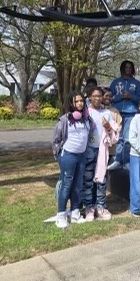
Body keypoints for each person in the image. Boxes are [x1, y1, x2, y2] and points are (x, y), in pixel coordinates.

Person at [52, 91, 91, 228]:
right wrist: (58, 156)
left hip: (81, 156)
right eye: (77, 101)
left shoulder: (86, 119)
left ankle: (75, 213)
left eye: (81, 101)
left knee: (78, 186)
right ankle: (61, 215)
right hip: (68, 156)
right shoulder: (64, 120)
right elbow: (56, 139)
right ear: (71, 103)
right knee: (66, 185)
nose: (80, 103)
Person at [83, 87, 119, 221]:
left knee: (102, 180)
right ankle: (88, 207)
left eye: (100, 96)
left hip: (102, 150)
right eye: (95, 96)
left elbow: (115, 134)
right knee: (88, 180)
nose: (97, 98)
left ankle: (101, 206)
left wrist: (108, 127)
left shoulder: (107, 113)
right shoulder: (86, 112)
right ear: (90, 97)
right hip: (88, 149)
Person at [109, 61, 140, 170]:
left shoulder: (137, 83)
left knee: (128, 138)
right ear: (122, 68)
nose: (128, 69)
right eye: (126, 67)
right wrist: (120, 96)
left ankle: (127, 161)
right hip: (117, 113)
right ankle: (117, 160)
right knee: (118, 138)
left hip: (130, 113)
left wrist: (130, 96)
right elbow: (109, 97)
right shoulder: (115, 82)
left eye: (130, 67)